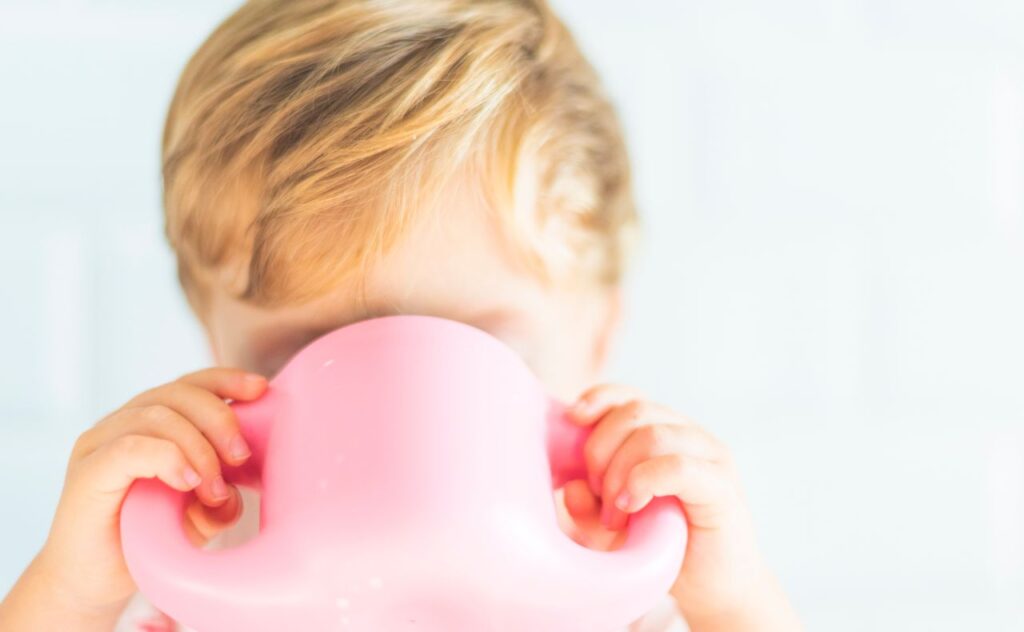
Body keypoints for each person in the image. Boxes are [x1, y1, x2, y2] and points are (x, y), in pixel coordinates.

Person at [0, 1, 800, 630]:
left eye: (480, 345)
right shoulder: (196, 595)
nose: (399, 410)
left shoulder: (618, 604)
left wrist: (732, 604)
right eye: (307, 347)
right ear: (218, 342)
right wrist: (71, 595)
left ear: (596, 335)